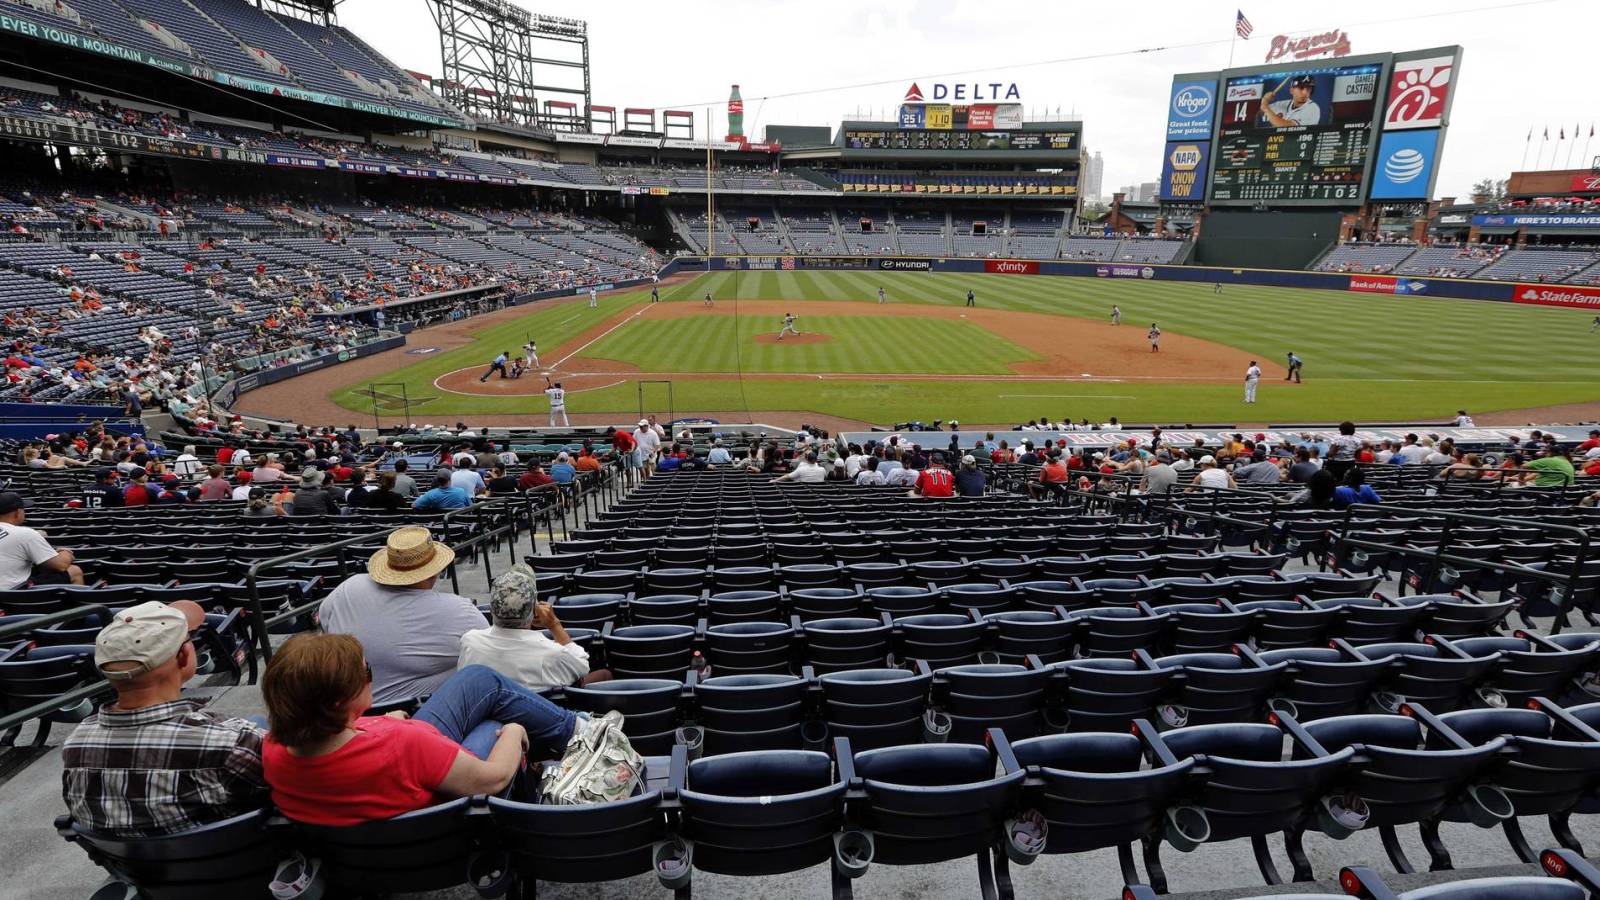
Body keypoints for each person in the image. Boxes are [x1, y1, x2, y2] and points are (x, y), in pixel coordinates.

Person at [260, 633, 580, 826]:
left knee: (478, 679)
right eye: (366, 671)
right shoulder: (404, 743)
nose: (370, 674)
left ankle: (575, 728)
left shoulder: (274, 749)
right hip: (446, 822)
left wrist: (385, 722)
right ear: (339, 701)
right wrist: (513, 731)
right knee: (495, 722)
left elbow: (343, 747)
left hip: (375, 811)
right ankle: (581, 733)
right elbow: (493, 778)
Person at [61, 600, 268, 837]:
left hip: (134, 868)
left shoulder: (75, 744)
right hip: (233, 862)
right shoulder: (227, 742)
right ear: (183, 655)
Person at [317, 528, 492, 704]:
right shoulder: (459, 611)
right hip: (417, 716)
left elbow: (324, 622)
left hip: (344, 711)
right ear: (434, 571)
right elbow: (491, 653)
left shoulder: (349, 587)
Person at [458, 564, 608, 690]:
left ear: (491, 610)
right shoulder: (550, 653)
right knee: (605, 675)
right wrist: (554, 624)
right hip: (539, 723)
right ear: (534, 611)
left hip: (491, 716)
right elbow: (582, 666)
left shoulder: (470, 642)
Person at [0, 491, 82, 588]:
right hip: (10, 594)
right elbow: (61, 565)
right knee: (74, 571)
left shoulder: (25, 534)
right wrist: (65, 552)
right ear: (18, 512)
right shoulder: (26, 534)